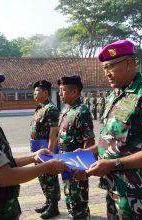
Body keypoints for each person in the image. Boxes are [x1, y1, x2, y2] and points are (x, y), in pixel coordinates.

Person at [0, 68, 68, 220]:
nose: (2, 96)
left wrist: (34, 157)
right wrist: (47, 167)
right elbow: (6, 176)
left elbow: (1, 163)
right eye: (0, 90)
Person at [86, 39, 142, 219]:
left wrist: (111, 164)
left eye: (110, 66)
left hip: (138, 191)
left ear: (129, 64)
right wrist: (87, 153)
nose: (107, 73)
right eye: (104, 68)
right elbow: (111, 139)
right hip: (114, 186)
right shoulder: (115, 96)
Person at [58, 75, 95, 219]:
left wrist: (83, 169)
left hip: (76, 165)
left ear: (74, 92)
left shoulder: (81, 111)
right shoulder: (66, 109)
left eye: (63, 90)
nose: (60, 93)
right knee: (70, 197)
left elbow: (89, 141)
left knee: (79, 201)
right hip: (66, 163)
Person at [30, 80, 61, 219]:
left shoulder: (51, 109)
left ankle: (54, 206)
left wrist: (50, 151)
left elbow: (54, 132)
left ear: (46, 93)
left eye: (37, 91)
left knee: (50, 177)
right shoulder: (39, 108)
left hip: (46, 148)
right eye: (34, 91)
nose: (34, 93)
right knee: (42, 176)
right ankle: (48, 202)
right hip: (38, 147)